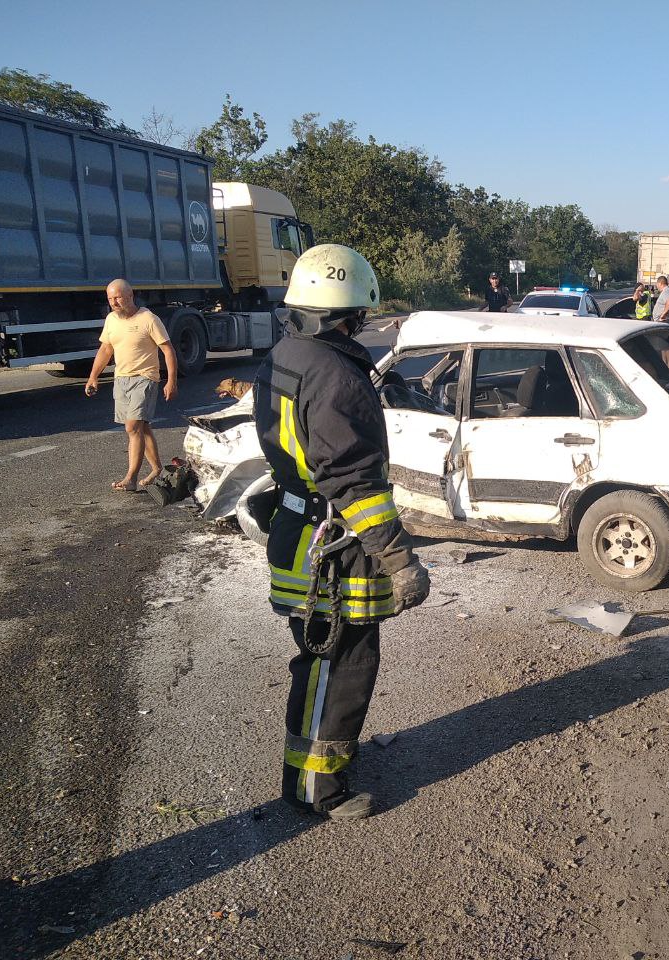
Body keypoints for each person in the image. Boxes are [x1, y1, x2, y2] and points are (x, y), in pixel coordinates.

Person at [254, 243, 431, 821]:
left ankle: (315, 767)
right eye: (360, 317)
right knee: (340, 664)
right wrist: (400, 561)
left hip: (297, 531)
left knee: (321, 659)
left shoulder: (286, 353)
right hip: (333, 550)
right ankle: (315, 788)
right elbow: (354, 482)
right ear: (346, 316)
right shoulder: (337, 376)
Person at [84, 279, 178, 492]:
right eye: (110, 298)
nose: (113, 303)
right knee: (142, 428)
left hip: (145, 378)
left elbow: (168, 350)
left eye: (117, 297)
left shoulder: (148, 319)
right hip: (121, 379)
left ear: (130, 296)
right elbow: (105, 350)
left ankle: (131, 478)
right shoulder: (111, 320)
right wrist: (93, 377)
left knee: (132, 427)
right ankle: (156, 469)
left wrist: (171, 380)